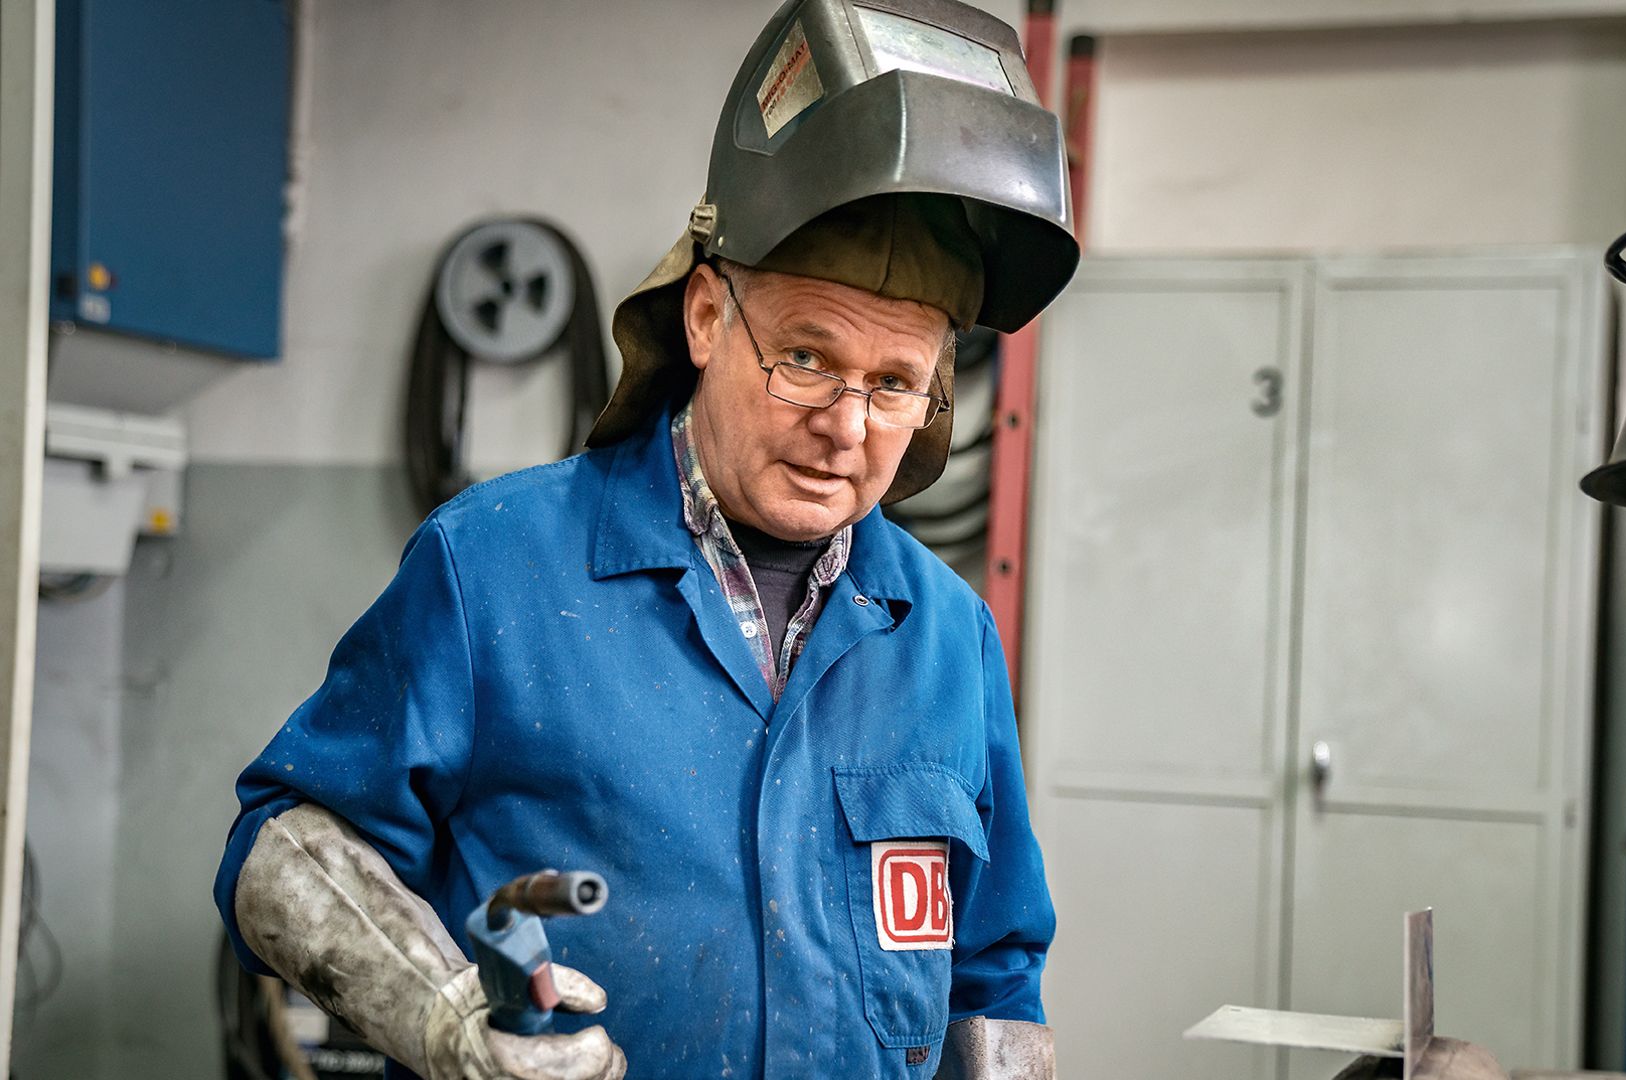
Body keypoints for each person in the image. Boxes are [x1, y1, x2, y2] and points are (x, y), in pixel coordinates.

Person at [211, 1, 1080, 1078]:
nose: (849, 427)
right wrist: (442, 1017)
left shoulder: (948, 637)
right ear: (709, 318)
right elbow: (284, 849)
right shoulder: (495, 568)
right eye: (805, 358)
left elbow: (993, 982)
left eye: (896, 383)